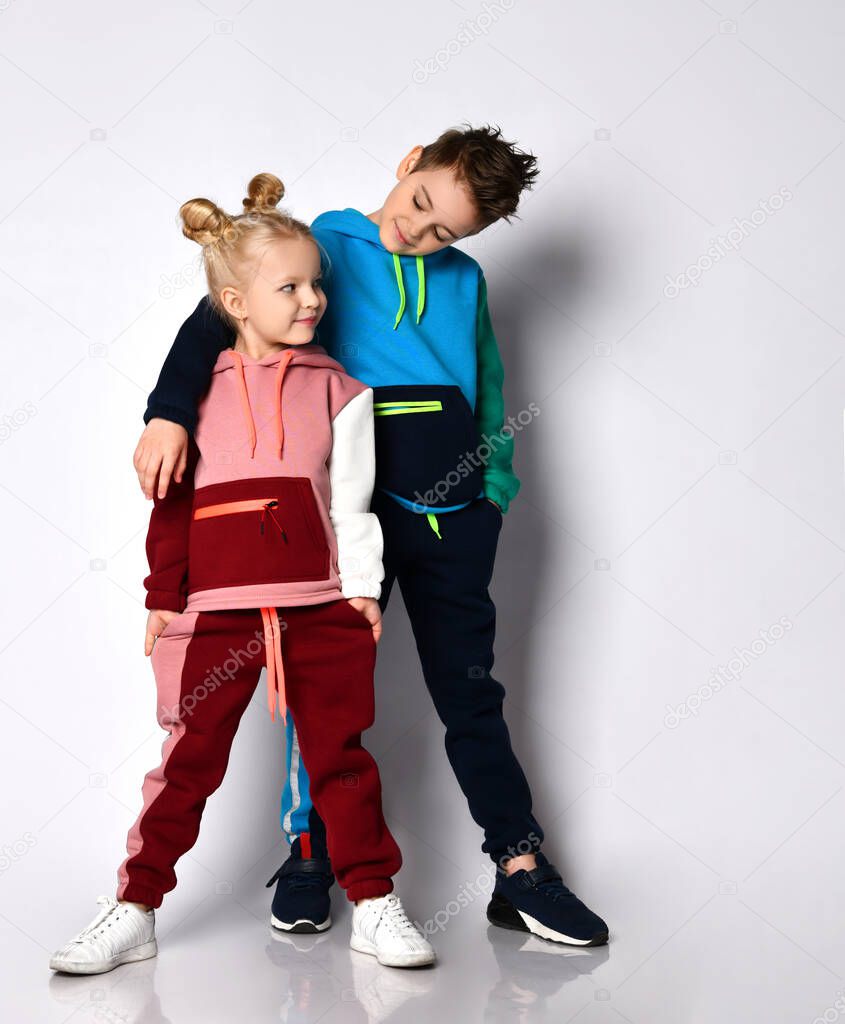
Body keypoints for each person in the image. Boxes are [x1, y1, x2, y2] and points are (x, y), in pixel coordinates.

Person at [133, 126, 609, 947]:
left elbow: (489, 387)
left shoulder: (464, 283)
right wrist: (168, 413)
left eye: (443, 231)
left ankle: (519, 867)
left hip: (451, 515)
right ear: (409, 163)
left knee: (470, 693)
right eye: (418, 204)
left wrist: (491, 490)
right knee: (320, 692)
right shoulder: (324, 247)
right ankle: (310, 851)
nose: (417, 233)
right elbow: (217, 316)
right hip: (340, 513)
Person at [49, 173, 436, 975]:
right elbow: (171, 506)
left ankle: (371, 902)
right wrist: (164, 600)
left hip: (320, 607)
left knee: (341, 761)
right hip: (216, 611)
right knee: (186, 763)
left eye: (316, 284)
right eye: (288, 286)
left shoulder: (341, 389)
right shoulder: (190, 398)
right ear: (233, 301)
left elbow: (354, 502)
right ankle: (135, 907)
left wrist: (360, 590)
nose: (312, 299)